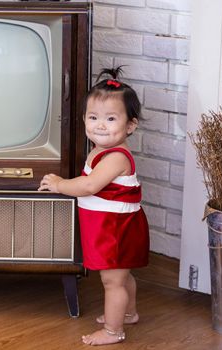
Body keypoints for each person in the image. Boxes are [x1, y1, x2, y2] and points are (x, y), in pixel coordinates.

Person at [38, 67, 149, 346]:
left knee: (113, 282)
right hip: (109, 226)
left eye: (111, 119)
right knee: (121, 275)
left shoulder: (115, 157)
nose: (100, 125)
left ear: (130, 125)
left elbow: (88, 186)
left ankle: (114, 331)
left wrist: (60, 184)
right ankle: (130, 313)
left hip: (115, 230)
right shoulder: (101, 149)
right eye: (93, 117)